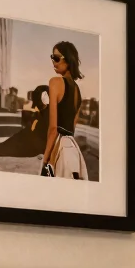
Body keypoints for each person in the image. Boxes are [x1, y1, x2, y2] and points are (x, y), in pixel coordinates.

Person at [41, 41, 88, 179]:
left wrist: (45, 160)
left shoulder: (55, 82)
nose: (53, 62)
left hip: (60, 152)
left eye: (56, 58)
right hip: (74, 152)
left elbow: (53, 129)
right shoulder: (78, 92)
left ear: (68, 59)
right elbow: (72, 128)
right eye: (52, 57)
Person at [0, 85, 50, 160]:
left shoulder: (49, 112)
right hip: (32, 139)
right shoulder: (44, 111)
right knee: (13, 141)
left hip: (36, 143)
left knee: (4, 148)